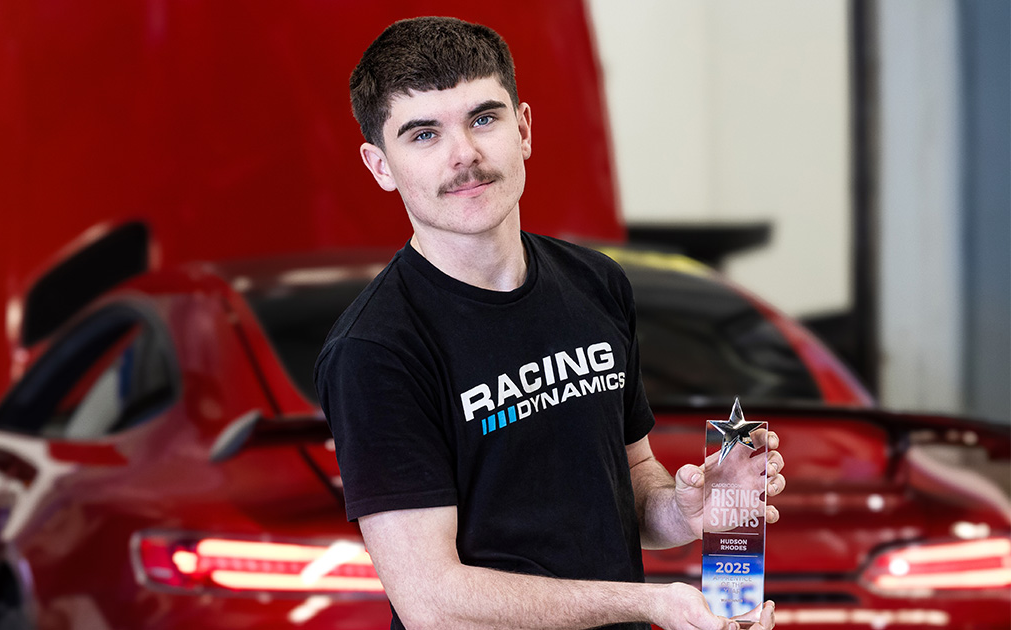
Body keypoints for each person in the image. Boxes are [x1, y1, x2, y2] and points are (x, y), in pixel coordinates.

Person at [314, 16, 785, 630]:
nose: (466, 155)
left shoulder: (596, 283)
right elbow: (433, 603)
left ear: (525, 129)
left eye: (484, 118)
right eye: (424, 134)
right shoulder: (376, 350)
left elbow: (634, 484)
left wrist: (689, 512)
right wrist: (649, 604)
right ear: (380, 166)